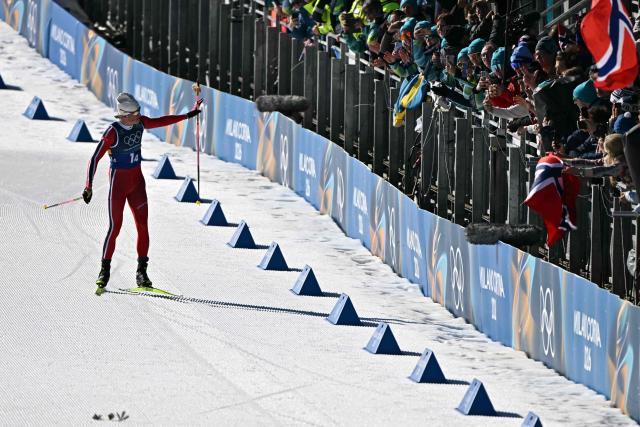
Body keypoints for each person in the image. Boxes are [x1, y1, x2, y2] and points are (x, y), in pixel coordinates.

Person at [83, 92, 202, 290]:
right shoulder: (112, 132)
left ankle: (142, 272)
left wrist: (188, 115)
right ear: (124, 115)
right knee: (115, 227)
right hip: (118, 185)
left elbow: (161, 121)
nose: (139, 115)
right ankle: (104, 270)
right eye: (135, 113)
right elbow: (94, 158)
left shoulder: (139, 123)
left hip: (137, 183)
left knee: (143, 226)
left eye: (139, 112)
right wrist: (89, 186)